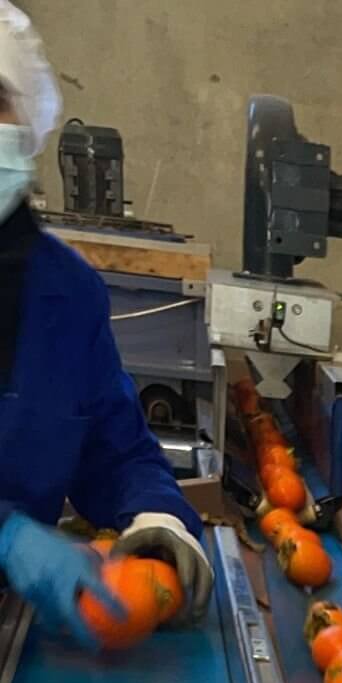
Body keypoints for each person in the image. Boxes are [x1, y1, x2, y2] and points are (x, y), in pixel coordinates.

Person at [0, 2, 212, 644]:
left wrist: (160, 521)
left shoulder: (66, 294)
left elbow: (117, 450)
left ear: (26, 125)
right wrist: (7, 537)